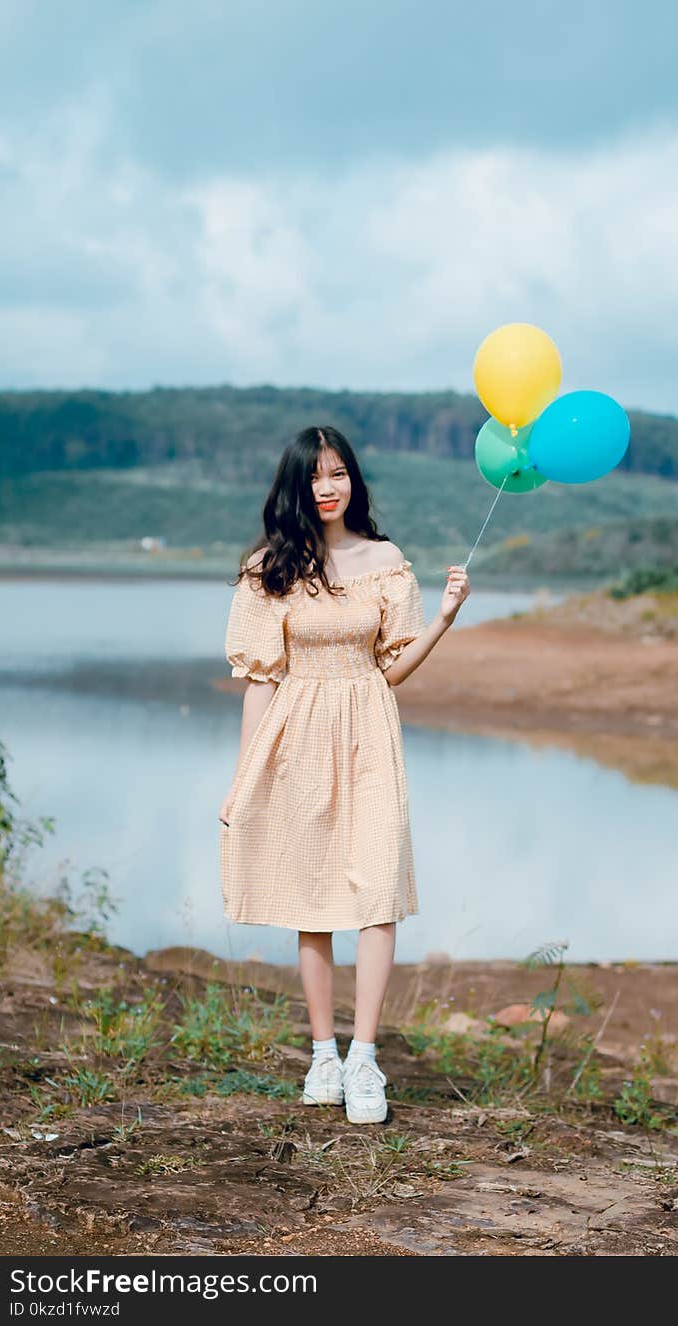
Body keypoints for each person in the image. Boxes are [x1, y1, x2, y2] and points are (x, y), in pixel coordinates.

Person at [218, 425, 470, 1123]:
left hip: (369, 732)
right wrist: (243, 779)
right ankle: (323, 1053)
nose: (327, 488)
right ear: (295, 487)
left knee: (378, 888)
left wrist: (443, 620)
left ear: (353, 480)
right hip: (298, 736)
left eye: (338, 474)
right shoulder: (270, 566)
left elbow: (391, 670)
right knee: (314, 899)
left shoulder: (386, 560)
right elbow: (261, 682)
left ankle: (365, 1058)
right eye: (314, 476)